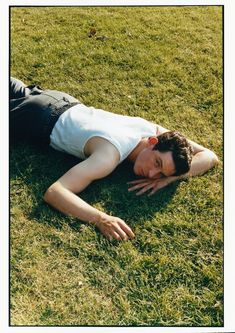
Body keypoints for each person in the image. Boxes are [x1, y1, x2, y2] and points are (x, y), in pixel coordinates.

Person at [10, 77, 219, 241]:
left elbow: (210, 156)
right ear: (153, 142)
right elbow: (55, 192)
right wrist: (101, 218)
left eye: (161, 173)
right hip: (35, 116)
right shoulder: (109, 155)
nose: (153, 174)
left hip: (61, 100)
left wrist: (169, 178)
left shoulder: (151, 130)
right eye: (157, 164)